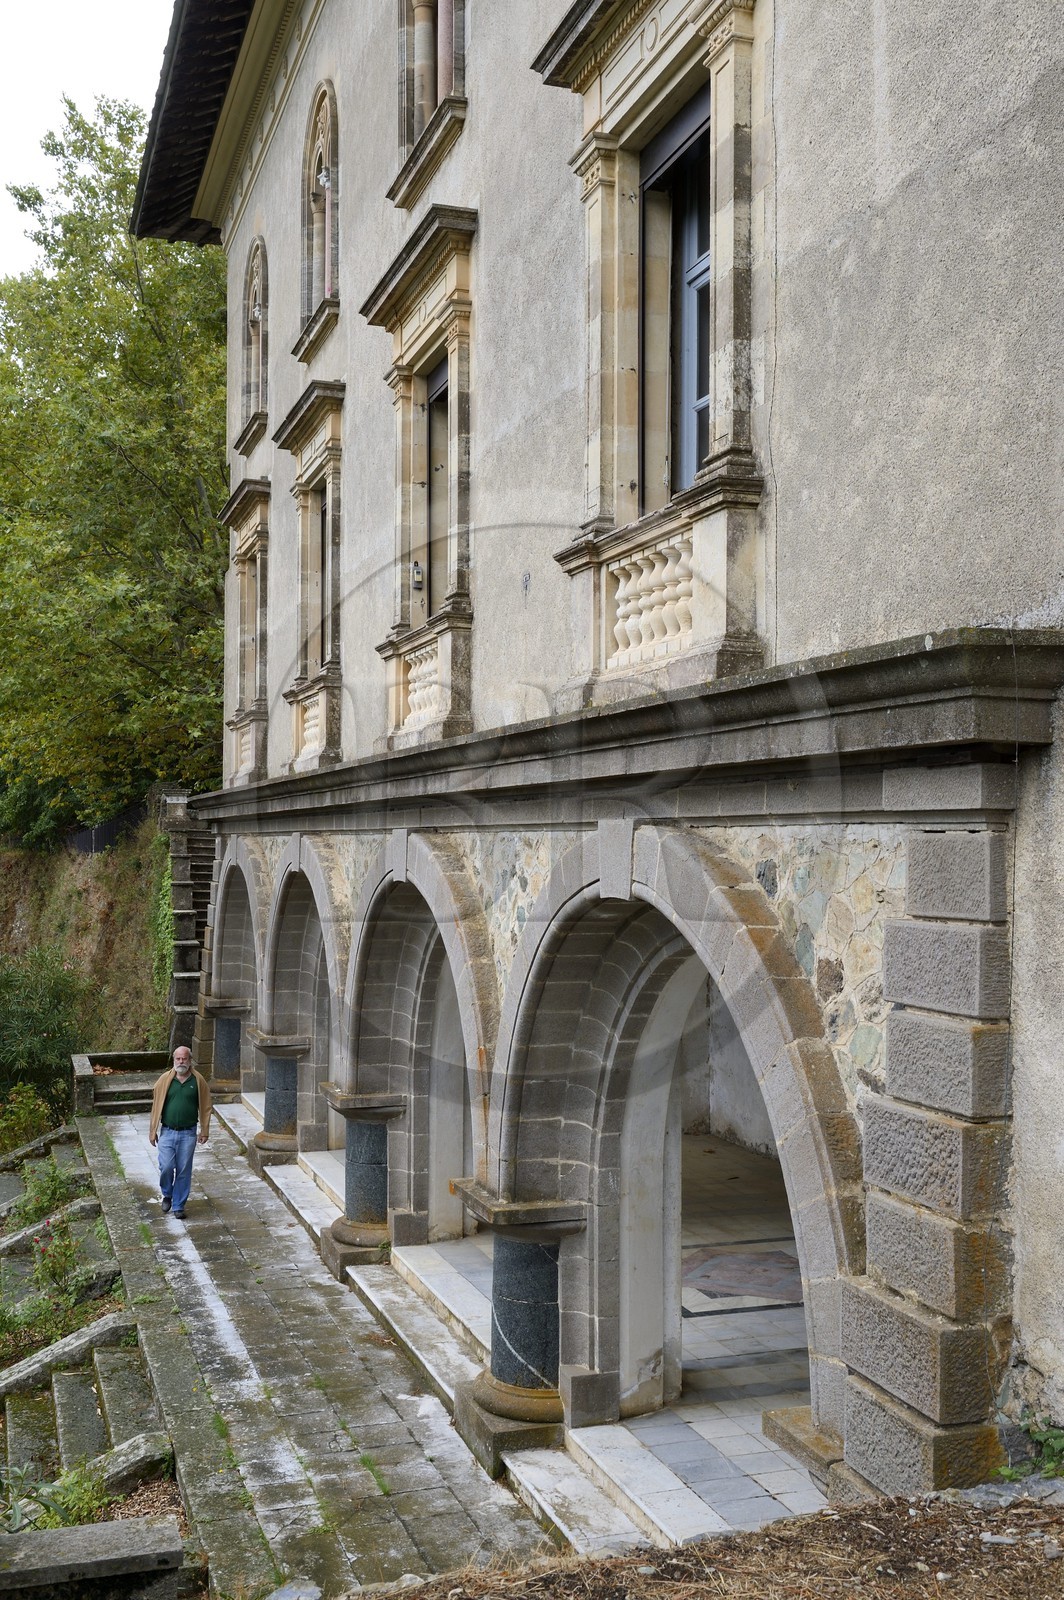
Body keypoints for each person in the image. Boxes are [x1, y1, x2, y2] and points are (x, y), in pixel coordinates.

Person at [149, 1046, 212, 1219]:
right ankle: (167, 1194)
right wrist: (152, 1130)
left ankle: (178, 1206)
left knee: (184, 1170)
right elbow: (156, 1106)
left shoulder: (198, 1081)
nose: (181, 1062)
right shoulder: (165, 1080)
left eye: (184, 1058)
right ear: (174, 1060)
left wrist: (204, 1130)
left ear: (190, 1060)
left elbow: (206, 1106)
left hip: (188, 1133)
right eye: (178, 1058)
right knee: (166, 1167)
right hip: (167, 1131)